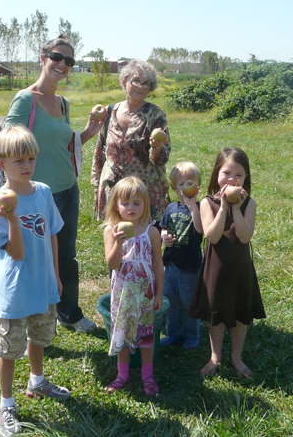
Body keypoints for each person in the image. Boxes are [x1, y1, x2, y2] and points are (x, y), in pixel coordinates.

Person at [5, 35, 106, 333]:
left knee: (65, 256)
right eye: (56, 57)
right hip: (35, 196)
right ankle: (26, 322)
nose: (62, 64)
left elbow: (64, 145)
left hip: (67, 190)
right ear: (43, 58)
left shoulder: (63, 103)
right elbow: (6, 142)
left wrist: (89, 131)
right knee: (32, 259)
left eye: (69, 60)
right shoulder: (26, 99)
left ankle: (69, 314)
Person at [0, 126, 71, 437]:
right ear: (2, 165)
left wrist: (56, 276)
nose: (27, 166)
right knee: (10, 347)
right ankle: (6, 403)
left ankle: (37, 380)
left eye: (31, 158)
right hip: (16, 290)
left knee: (40, 336)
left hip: (44, 283)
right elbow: (17, 254)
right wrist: (11, 218)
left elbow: (52, 235)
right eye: (19, 160)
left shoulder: (44, 192)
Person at [188, 147, 266, 379]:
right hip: (216, 269)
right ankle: (215, 356)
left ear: (245, 179)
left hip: (240, 270)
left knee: (240, 316)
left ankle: (236, 357)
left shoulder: (249, 204)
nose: (232, 179)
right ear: (216, 174)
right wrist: (223, 207)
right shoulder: (206, 203)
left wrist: (236, 208)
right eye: (227, 173)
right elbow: (212, 236)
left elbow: (244, 236)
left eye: (239, 175)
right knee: (216, 315)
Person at [103, 177, 164, 396]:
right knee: (122, 333)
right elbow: (113, 264)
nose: (130, 208)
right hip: (123, 294)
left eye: (137, 203)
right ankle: (123, 375)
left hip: (145, 295)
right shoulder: (112, 231)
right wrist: (118, 243)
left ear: (145, 205)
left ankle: (147, 375)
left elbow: (158, 263)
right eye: (125, 202)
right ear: (116, 205)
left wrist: (159, 293)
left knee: (146, 336)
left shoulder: (151, 232)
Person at [91, 59, 171, 224]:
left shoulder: (156, 115)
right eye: (137, 81)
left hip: (143, 194)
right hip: (114, 191)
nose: (141, 86)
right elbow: (101, 150)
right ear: (124, 82)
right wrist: (96, 184)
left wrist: (156, 148)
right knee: (115, 241)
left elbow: (161, 159)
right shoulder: (110, 111)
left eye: (147, 83)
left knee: (144, 243)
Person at [159, 161, 204, 350]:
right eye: (181, 183)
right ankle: (173, 333)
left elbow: (201, 229)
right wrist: (164, 237)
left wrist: (193, 207)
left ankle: (192, 335)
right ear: (175, 187)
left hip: (190, 266)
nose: (185, 186)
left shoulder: (201, 208)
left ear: (197, 186)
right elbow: (163, 226)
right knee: (171, 302)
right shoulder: (171, 208)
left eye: (190, 182)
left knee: (189, 303)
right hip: (170, 264)